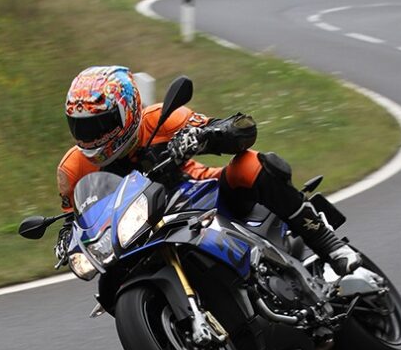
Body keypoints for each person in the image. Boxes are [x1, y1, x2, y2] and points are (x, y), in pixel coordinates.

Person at [55, 65, 360, 274]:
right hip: (138, 233)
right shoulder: (72, 168)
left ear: (129, 110)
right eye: (81, 127)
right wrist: (67, 239)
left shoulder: (161, 119)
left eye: (100, 124)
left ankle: (329, 245)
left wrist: (202, 136)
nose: (92, 137)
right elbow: (76, 220)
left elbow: (242, 128)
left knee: (250, 164)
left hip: (200, 197)